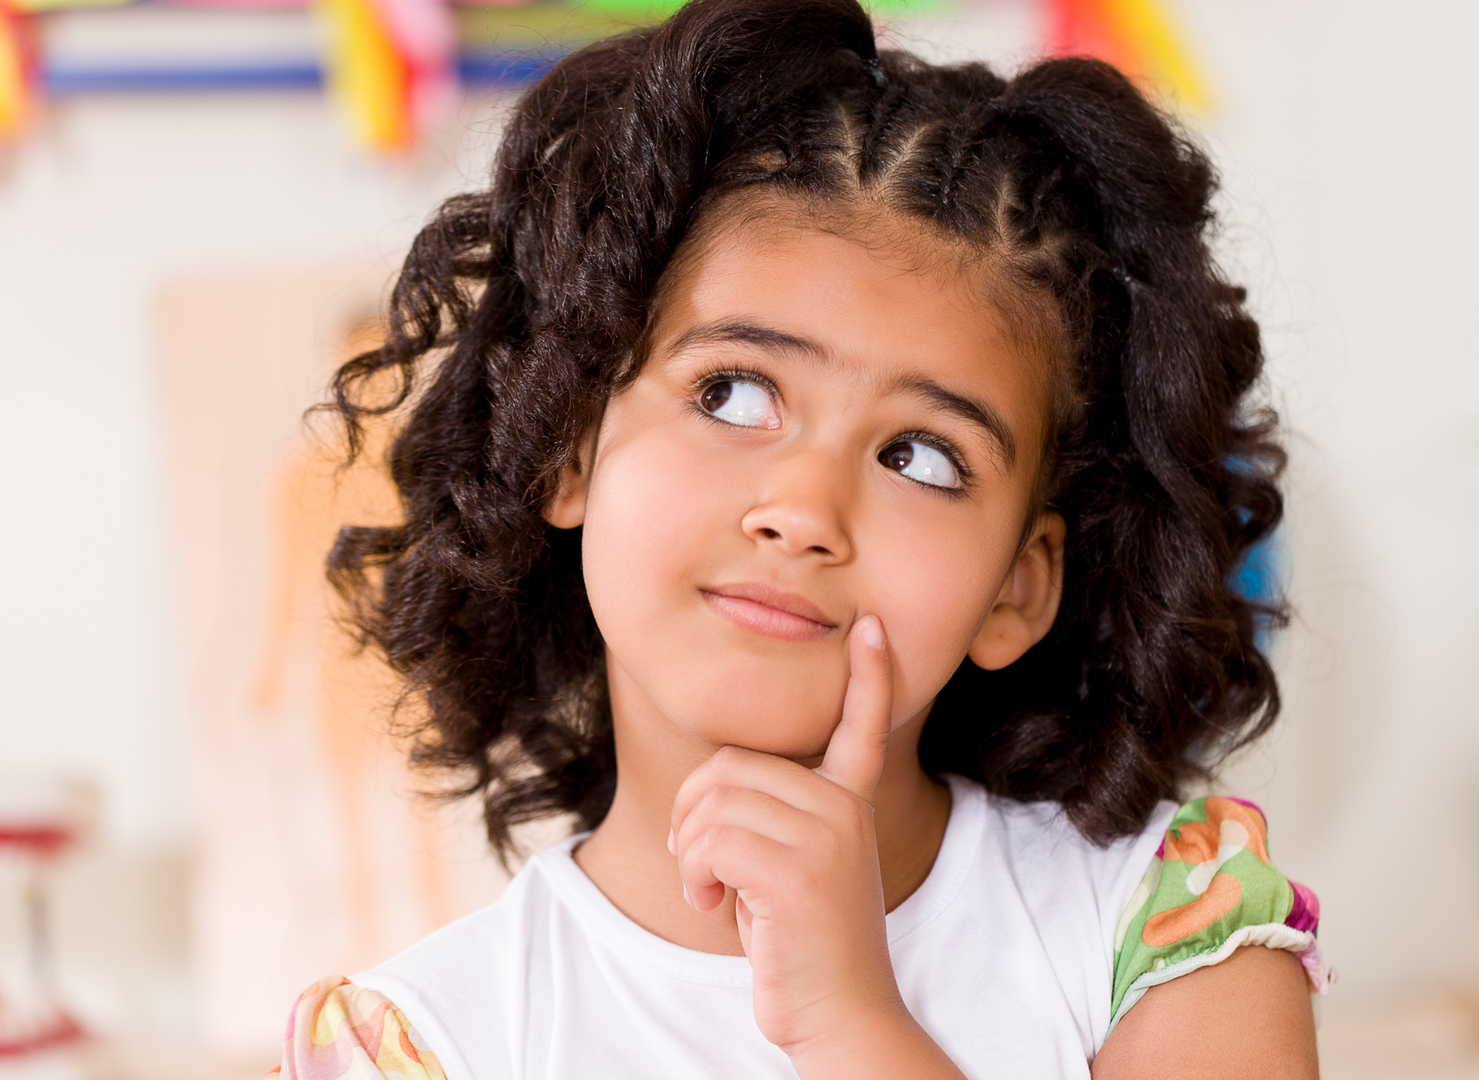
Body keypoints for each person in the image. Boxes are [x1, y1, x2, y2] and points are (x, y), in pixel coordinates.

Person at [268, 1, 1327, 1076]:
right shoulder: (419, 1046)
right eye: (731, 394)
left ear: (1018, 584)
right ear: (568, 448)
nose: (804, 512)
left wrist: (853, 1026)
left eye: (920, 456)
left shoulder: (1174, 932)